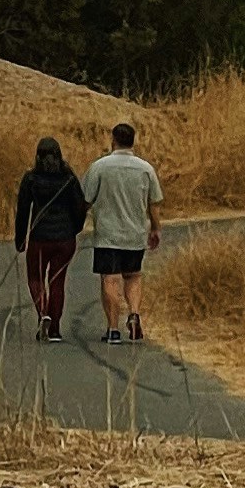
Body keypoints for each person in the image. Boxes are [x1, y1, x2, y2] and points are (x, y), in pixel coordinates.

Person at [80, 118, 165, 341]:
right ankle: (134, 314)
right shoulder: (146, 169)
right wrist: (155, 229)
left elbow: (86, 199)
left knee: (110, 279)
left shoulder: (99, 166)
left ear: (113, 140)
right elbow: (153, 203)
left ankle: (112, 329)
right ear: (133, 142)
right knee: (133, 276)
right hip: (135, 233)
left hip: (108, 234)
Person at [11, 136, 87, 339]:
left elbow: (23, 211)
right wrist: (74, 229)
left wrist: (20, 239)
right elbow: (80, 207)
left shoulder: (31, 179)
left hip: (39, 238)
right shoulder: (69, 178)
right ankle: (54, 329)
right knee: (57, 281)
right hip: (65, 239)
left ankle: (43, 311)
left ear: (37, 156)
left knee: (35, 278)